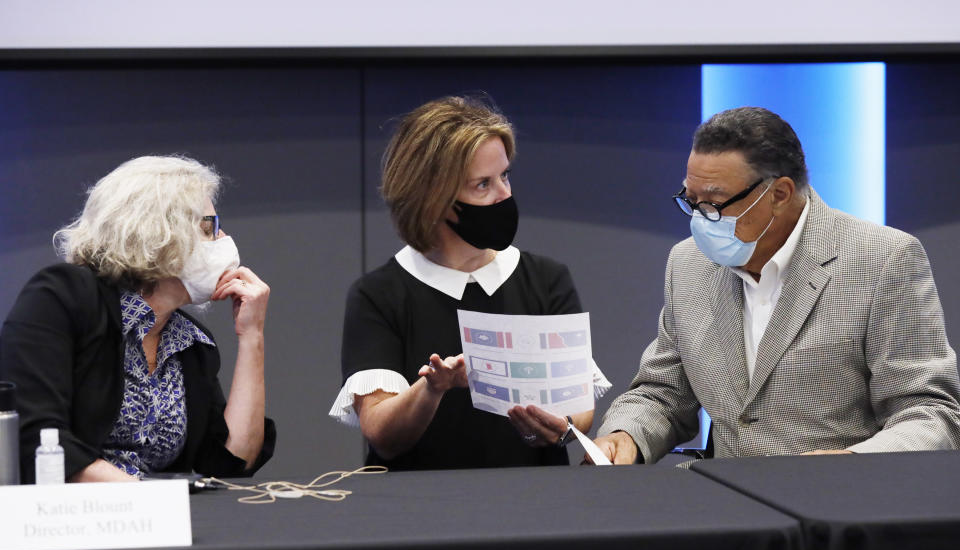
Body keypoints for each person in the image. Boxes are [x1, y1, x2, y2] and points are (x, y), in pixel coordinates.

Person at [592, 106, 960, 464]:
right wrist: (626, 435)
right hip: (726, 508)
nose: (702, 220)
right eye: (692, 201)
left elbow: (930, 412)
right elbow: (663, 393)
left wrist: (852, 462)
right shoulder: (689, 264)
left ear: (780, 194)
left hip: (842, 509)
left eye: (716, 203)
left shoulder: (884, 259)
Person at [329, 96, 610, 470]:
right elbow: (383, 435)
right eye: (483, 184)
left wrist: (560, 427)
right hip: (420, 512)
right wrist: (432, 388)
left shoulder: (545, 279)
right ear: (434, 198)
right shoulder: (379, 295)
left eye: (505, 175)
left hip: (538, 505)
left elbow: (579, 407)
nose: (504, 194)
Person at [1, 155, 275, 482]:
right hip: (72, 522)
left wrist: (252, 336)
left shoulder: (189, 342)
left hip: (162, 522)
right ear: (159, 232)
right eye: (210, 227)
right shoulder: (62, 297)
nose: (224, 239)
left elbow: (232, 462)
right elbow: (33, 436)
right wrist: (150, 504)